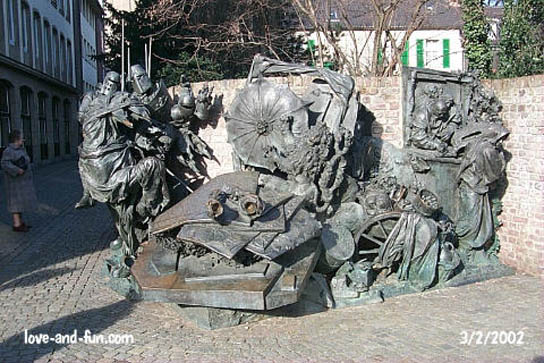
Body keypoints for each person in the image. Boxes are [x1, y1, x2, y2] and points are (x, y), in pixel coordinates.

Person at [1, 129, 38, 232]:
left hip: (22, 181)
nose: (23, 140)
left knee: (21, 203)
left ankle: (20, 222)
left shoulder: (21, 149)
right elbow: (4, 164)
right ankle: (17, 224)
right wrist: (17, 170)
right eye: (22, 138)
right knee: (15, 203)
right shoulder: (8, 151)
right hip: (14, 183)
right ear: (16, 139)